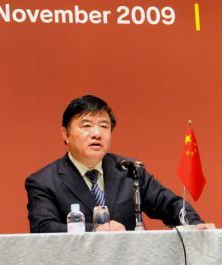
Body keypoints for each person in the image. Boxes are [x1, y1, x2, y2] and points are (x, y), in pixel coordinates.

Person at [25, 95, 214, 232]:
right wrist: (96, 230)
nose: (96, 133)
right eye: (87, 125)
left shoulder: (129, 170)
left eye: (104, 126)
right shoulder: (43, 181)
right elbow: (44, 228)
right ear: (66, 135)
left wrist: (194, 224)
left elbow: (169, 204)